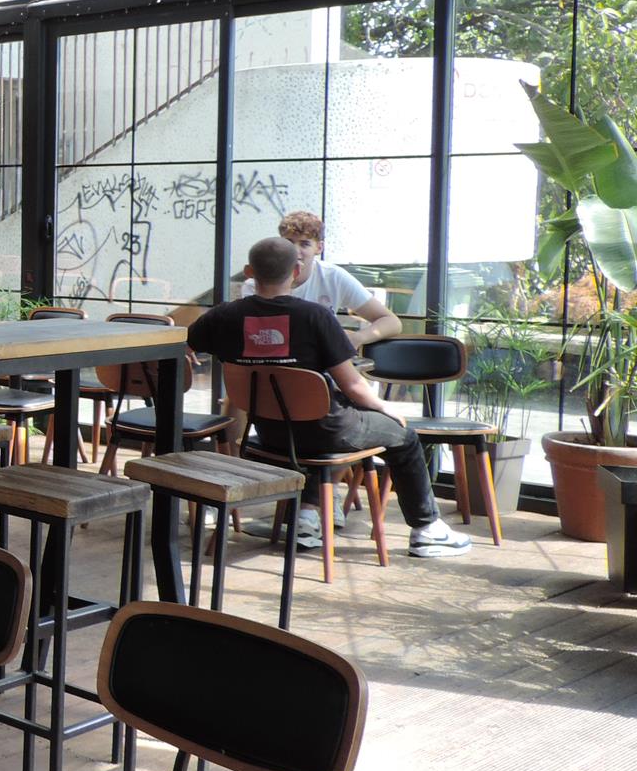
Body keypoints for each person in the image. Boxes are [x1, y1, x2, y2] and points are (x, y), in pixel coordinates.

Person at [191, 235, 471, 559]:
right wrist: (386, 409)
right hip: (325, 432)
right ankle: (427, 530)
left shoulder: (223, 316)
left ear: (249, 272)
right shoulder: (315, 316)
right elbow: (352, 386)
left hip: (269, 434)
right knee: (404, 436)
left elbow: (186, 343)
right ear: (296, 271)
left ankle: (307, 516)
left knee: (318, 432)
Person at [240, 210, 402, 347]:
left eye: (305, 244)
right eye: (289, 242)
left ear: (319, 247)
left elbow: (391, 321)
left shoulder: (334, 276)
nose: (295, 251)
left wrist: (358, 337)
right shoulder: (256, 283)